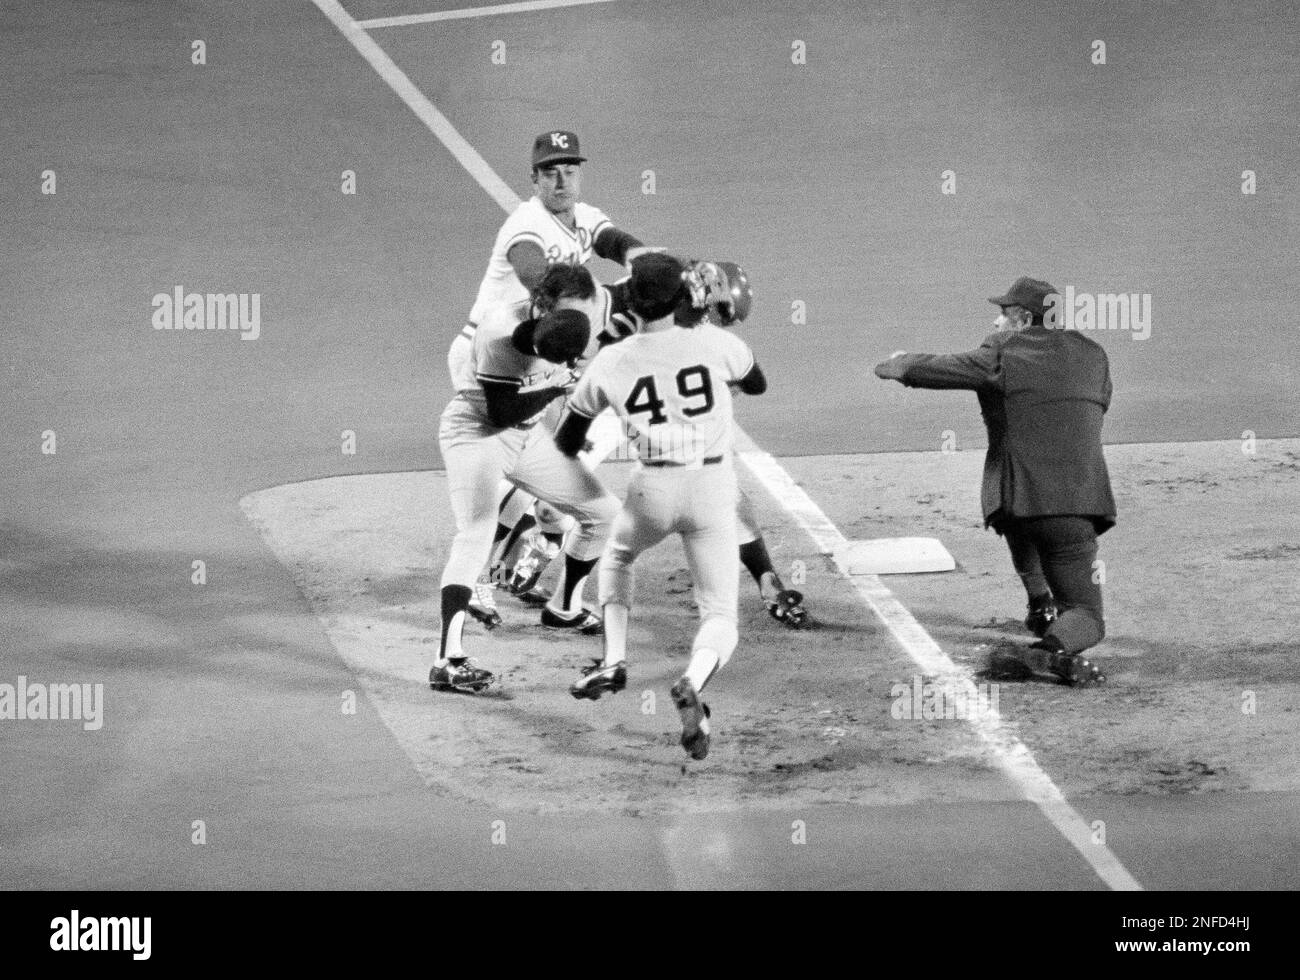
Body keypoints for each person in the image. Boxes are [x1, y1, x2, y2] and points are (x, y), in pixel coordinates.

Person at [554, 254, 768, 759]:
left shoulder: (612, 360)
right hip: (714, 488)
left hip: (652, 489)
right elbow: (757, 383)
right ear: (683, 298)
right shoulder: (718, 343)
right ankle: (694, 680)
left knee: (619, 558)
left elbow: (567, 439)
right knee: (719, 613)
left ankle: (613, 659)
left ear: (633, 299)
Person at [449, 131, 653, 629]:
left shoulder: (582, 216)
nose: (562, 180)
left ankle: (542, 547)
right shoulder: (527, 225)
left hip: (542, 354)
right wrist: (585, 323)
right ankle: (483, 575)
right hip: (492, 356)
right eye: (550, 172)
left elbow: (617, 242)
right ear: (534, 179)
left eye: (570, 170)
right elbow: (535, 273)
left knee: (550, 458)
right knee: (506, 463)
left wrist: (651, 266)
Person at [873, 276, 1115, 687]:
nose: (997, 319)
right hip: (1079, 500)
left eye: (1004, 312)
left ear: (1023, 317)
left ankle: (1043, 646)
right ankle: (1047, 616)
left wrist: (898, 364)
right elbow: (1096, 404)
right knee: (1086, 614)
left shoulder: (1004, 349)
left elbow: (946, 368)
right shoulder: (1094, 355)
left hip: (1017, 500)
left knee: (1024, 519)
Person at [431, 264, 619, 694]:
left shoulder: (582, 319)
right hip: (477, 431)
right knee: (475, 533)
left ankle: (564, 607)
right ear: (541, 306)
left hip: (529, 434)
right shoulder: (501, 332)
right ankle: (447, 660)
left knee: (603, 513)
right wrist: (558, 389)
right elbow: (501, 412)